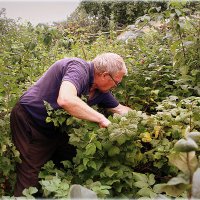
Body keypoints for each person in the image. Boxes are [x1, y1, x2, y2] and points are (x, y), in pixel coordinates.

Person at [10, 52, 132, 196]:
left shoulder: (100, 91)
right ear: (104, 75)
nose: (116, 86)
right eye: (116, 82)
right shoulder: (78, 68)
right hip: (30, 119)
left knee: (70, 157)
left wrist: (145, 119)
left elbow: (119, 109)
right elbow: (66, 99)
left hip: (55, 127)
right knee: (29, 174)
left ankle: (56, 191)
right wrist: (101, 119)